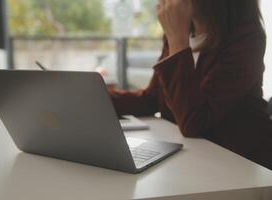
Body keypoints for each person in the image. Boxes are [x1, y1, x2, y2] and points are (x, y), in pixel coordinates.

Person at [109, 0, 272, 170]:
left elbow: (195, 121)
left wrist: (178, 40)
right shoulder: (183, 31)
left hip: (242, 165)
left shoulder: (246, 37)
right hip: (195, 160)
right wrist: (92, 99)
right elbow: (153, 98)